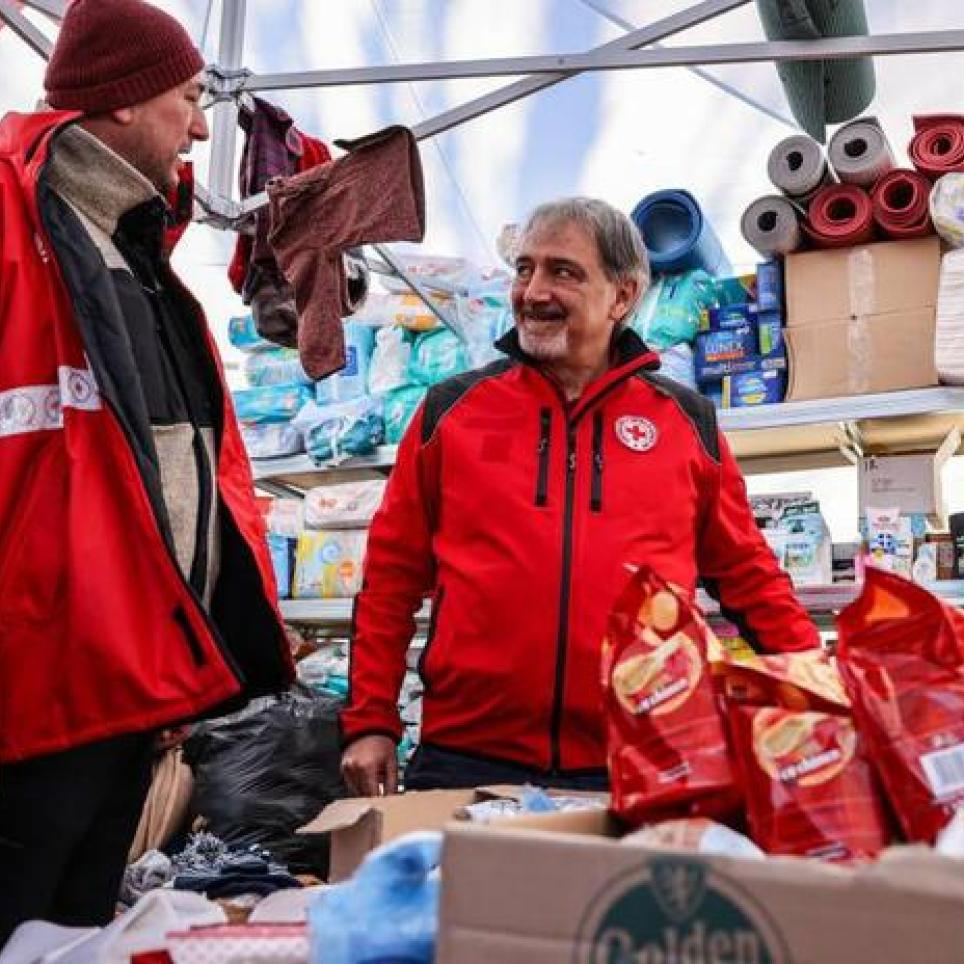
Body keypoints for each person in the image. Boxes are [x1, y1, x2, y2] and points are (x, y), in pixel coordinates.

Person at [341, 196, 820, 796]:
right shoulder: (451, 412)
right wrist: (370, 722)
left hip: (643, 761)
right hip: (467, 758)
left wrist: (818, 687)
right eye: (525, 269)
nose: (533, 291)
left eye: (562, 272)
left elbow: (750, 577)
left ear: (622, 296)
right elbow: (390, 577)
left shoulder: (685, 422)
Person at [0, 0, 292, 941]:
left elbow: (179, 478)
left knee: (77, 933)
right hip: (32, 698)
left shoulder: (137, 252)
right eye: (188, 97)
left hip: (124, 690)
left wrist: (183, 657)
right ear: (123, 102)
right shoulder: (18, 219)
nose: (204, 125)